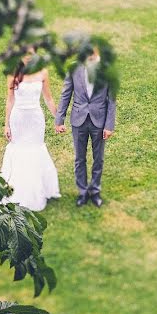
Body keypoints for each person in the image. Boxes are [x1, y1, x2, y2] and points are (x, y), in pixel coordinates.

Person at [0, 48, 61, 211]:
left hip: (35, 119)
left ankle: (37, 190)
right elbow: (10, 100)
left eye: (30, 52)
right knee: (19, 150)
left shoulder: (42, 72)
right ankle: (16, 191)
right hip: (18, 118)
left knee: (35, 150)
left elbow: (48, 98)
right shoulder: (12, 72)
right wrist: (6, 124)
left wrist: (58, 118)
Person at [54, 47, 116, 207]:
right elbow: (66, 94)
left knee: (99, 159)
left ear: (97, 53)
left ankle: (95, 191)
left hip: (99, 121)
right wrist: (59, 119)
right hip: (78, 120)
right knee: (79, 158)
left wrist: (109, 125)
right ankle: (82, 192)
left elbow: (112, 100)